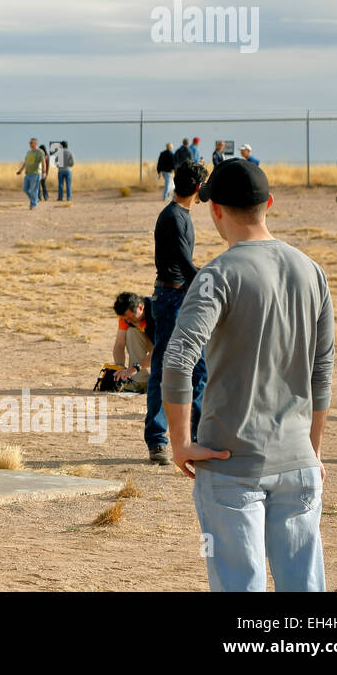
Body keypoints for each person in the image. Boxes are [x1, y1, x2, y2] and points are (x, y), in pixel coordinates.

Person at [163, 159, 333, 591]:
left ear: (215, 210)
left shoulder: (217, 275)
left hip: (229, 463)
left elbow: (179, 356)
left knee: (239, 584)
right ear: (269, 203)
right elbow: (322, 370)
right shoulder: (312, 271)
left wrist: (180, 442)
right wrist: (311, 449)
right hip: (298, 462)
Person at [146, 160, 210, 465]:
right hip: (172, 296)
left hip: (176, 293)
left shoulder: (178, 214)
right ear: (198, 189)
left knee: (198, 368)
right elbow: (185, 264)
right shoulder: (174, 217)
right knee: (167, 368)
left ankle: (196, 436)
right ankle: (159, 440)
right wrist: (213, 283)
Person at [110, 291, 154, 390]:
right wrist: (120, 367)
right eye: (125, 319)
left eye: (131, 317)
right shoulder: (126, 317)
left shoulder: (156, 311)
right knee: (131, 332)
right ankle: (141, 381)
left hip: (173, 347)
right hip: (155, 342)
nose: (128, 321)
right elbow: (119, 345)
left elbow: (162, 348)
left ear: (140, 307)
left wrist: (135, 368)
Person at [15, 137, 46, 209]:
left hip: (36, 174)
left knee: (34, 190)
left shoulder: (40, 152)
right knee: (25, 189)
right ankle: (35, 199)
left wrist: (44, 172)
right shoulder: (29, 152)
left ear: (35, 143)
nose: (30, 144)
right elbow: (25, 162)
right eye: (29, 143)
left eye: (31, 143)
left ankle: (33, 204)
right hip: (28, 173)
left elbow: (43, 162)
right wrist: (20, 170)